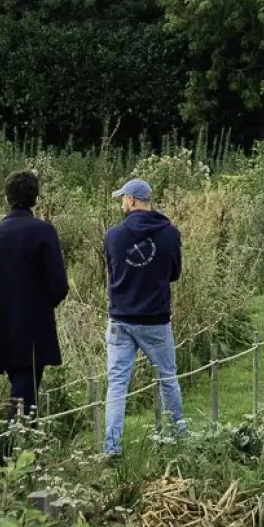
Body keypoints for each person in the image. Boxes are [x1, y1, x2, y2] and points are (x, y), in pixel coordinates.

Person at [0, 170, 69, 429]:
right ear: (36, 198)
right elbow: (59, 285)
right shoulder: (44, 233)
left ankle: (21, 451)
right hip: (34, 329)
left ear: (7, 197)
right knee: (25, 392)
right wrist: (40, 305)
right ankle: (15, 452)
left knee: (23, 389)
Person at [103, 178, 186, 458]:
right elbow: (174, 274)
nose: (121, 203)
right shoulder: (170, 234)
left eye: (123, 198)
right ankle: (178, 436)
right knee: (167, 377)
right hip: (156, 319)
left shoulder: (113, 236)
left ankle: (112, 448)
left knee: (117, 384)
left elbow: (113, 273)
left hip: (121, 319)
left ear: (132, 200)